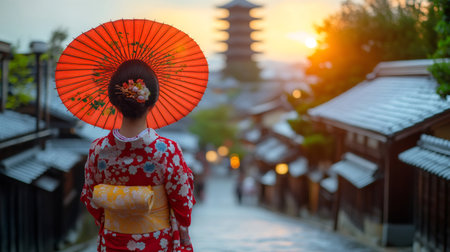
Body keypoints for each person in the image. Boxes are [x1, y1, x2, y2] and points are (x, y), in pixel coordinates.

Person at [80, 60, 195, 251]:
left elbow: (91, 200)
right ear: (152, 101)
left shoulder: (98, 149)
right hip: (156, 242)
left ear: (115, 102)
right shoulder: (167, 150)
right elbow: (183, 206)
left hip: (112, 241)